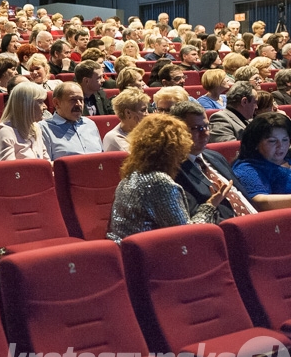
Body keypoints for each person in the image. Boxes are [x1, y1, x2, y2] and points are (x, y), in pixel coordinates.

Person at [107, 114, 230, 244]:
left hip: (127, 252)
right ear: (174, 149)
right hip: (149, 255)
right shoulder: (159, 182)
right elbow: (187, 234)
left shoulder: (130, 176)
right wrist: (210, 205)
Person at [170, 101, 256, 221]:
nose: (205, 133)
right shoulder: (172, 170)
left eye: (206, 126)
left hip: (256, 220)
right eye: (197, 128)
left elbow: (243, 197)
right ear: (177, 130)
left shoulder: (215, 157)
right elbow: (194, 220)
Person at [232, 112, 291, 211]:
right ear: (255, 143)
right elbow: (259, 201)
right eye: (272, 141)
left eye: (285, 140)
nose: (281, 146)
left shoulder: (288, 158)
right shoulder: (247, 168)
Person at [38, 82, 103, 160]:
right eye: (73, 100)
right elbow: (47, 166)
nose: (79, 104)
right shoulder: (44, 129)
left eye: (81, 100)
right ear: (57, 103)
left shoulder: (90, 124)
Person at [0, 82, 49, 161]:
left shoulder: (35, 127)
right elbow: (9, 170)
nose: (45, 107)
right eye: (40, 102)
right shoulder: (5, 132)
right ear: (26, 105)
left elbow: (46, 162)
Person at [103, 88, 150, 152]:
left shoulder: (146, 131)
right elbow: (137, 158)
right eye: (143, 110)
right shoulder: (113, 137)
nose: (147, 114)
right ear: (128, 113)